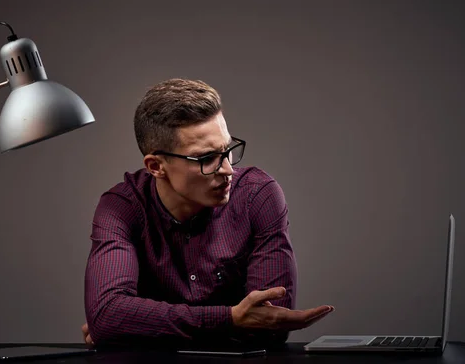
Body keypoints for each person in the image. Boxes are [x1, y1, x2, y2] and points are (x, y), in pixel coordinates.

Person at [82, 78, 334, 348]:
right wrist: (231, 319)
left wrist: (138, 329)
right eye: (206, 159)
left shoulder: (258, 195)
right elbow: (108, 316)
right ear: (156, 166)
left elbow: (270, 326)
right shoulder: (120, 207)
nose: (227, 170)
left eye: (227, 150)